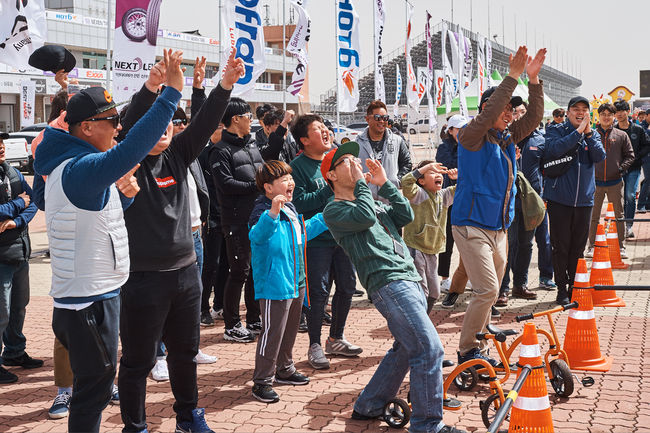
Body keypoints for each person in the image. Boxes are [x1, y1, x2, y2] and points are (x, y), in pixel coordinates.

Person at [33, 49, 184, 433]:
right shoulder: (81, 167)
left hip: (95, 295)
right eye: (112, 121)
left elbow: (97, 215)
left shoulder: (78, 164)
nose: (118, 128)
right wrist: (170, 94)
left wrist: (125, 196)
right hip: (86, 303)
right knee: (94, 392)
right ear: (86, 127)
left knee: (96, 388)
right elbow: (134, 146)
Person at [114, 50, 242, 433]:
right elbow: (131, 123)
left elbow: (204, 123)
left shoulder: (178, 154)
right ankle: (135, 426)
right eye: (158, 121)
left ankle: (188, 417)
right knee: (137, 361)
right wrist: (154, 88)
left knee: (185, 354)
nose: (166, 128)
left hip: (186, 274)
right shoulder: (126, 161)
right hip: (141, 279)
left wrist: (224, 86)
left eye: (170, 121)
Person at [321, 142, 464, 433]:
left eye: (355, 159)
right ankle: (427, 425)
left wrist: (385, 183)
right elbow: (364, 217)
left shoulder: (369, 200)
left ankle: (369, 404)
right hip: (388, 282)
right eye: (346, 161)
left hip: (407, 277)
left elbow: (405, 215)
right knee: (429, 349)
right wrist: (363, 185)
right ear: (331, 176)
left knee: (406, 348)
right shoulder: (335, 209)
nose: (356, 163)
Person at [451, 46, 545, 366]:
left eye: (511, 109)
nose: (509, 113)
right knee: (488, 290)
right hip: (471, 225)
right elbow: (490, 113)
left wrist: (533, 81)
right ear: (487, 109)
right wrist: (513, 76)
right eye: (503, 107)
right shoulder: (471, 135)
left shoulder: (507, 138)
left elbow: (533, 117)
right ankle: (467, 350)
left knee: (489, 294)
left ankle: (480, 337)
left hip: (499, 228)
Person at [248, 160, 328, 403]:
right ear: (268, 187)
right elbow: (256, 236)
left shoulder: (290, 208)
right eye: (284, 179)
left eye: (290, 178)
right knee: (272, 333)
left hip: (296, 281)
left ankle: (284, 369)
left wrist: (327, 215)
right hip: (275, 285)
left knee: (290, 330)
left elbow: (303, 232)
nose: (290, 182)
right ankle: (262, 381)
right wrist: (272, 212)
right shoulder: (262, 211)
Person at [289, 114, 362, 370]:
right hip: (316, 241)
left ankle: (336, 338)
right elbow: (299, 203)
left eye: (325, 127)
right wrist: (328, 187)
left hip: (343, 236)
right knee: (318, 293)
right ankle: (314, 344)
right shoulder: (297, 167)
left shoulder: (337, 158)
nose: (326, 131)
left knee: (347, 286)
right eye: (318, 129)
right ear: (304, 140)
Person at [210, 97, 265, 342]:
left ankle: (254, 318)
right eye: (248, 116)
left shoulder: (251, 145)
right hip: (235, 220)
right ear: (236, 119)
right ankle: (232, 325)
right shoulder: (220, 151)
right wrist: (257, 187)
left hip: (257, 218)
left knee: (254, 271)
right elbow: (225, 184)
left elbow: (262, 171)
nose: (251, 120)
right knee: (238, 272)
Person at [543, 96, 606, 305]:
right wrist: (578, 132)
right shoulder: (556, 130)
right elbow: (554, 149)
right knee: (561, 246)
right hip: (559, 199)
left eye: (584, 109)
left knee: (578, 248)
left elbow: (599, 156)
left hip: (585, 200)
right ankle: (561, 288)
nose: (580, 112)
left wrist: (587, 134)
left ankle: (574, 286)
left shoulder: (592, 134)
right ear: (568, 112)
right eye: (576, 109)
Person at [0, 131, 40, 385]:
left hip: (20, 251)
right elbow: (23, 200)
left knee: (18, 307)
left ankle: (14, 352)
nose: (1, 148)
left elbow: (33, 200)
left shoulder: (13, 173)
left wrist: (16, 221)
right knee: (1, 313)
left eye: (1, 143)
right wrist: (18, 203)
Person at [497, 102, 541, 307]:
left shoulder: (539, 140)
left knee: (526, 244)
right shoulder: (502, 137)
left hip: (530, 201)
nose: (520, 116)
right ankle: (503, 288)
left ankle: (520, 285)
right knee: (508, 245)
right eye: (516, 112)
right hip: (508, 200)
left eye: (524, 112)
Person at [401, 160, 457, 312]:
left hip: (432, 251)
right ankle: (417, 320)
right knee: (422, 291)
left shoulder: (444, 195)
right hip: (415, 248)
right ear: (421, 181)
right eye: (432, 172)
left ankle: (422, 318)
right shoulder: (418, 195)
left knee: (434, 293)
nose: (438, 175)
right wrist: (425, 168)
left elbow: (465, 188)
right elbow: (405, 182)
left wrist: (459, 178)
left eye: (439, 173)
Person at [584, 103, 634, 259]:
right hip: (594, 183)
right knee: (593, 216)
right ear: (598, 116)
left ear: (614, 116)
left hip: (615, 182)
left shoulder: (621, 135)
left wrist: (620, 169)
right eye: (603, 114)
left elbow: (630, 155)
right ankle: (591, 247)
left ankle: (620, 246)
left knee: (619, 215)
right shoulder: (590, 134)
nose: (606, 117)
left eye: (609, 114)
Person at [198, 125, 228, 326]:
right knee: (211, 264)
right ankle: (203, 308)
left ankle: (219, 304)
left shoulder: (227, 151)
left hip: (229, 216)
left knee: (226, 263)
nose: (222, 131)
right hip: (211, 217)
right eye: (218, 127)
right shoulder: (203, 155)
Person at [436, 115, 466, 298]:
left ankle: (467, 274)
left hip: (466, 198)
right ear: (451, 130)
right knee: (447, 240)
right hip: (449, 198)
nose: (462, 132)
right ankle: (444, 278)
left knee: (468, 239)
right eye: (459, 129)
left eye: (465, 128)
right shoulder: (444, 147)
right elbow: (448, 167)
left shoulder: (470, 145)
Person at [357, 100, 412, 200]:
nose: (382, 121)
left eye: (385, 118)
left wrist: (397, 180)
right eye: (377, 117)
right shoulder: (356, 143)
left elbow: (406, 164)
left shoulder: (397, 141)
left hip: (391, 200)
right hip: (365, 201)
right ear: (367, 119)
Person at [613, 100, 650, 238]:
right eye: (616, 112)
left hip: (634, 168)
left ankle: (629, 225)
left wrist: (636, 156)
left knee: (630, 195)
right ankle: (620, 224)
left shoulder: (638, 129)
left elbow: (647, 145)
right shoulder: (613, 130)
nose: (619, 114)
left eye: (621, 111)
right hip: (617, 169)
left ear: (628, 112)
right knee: (618, 197)